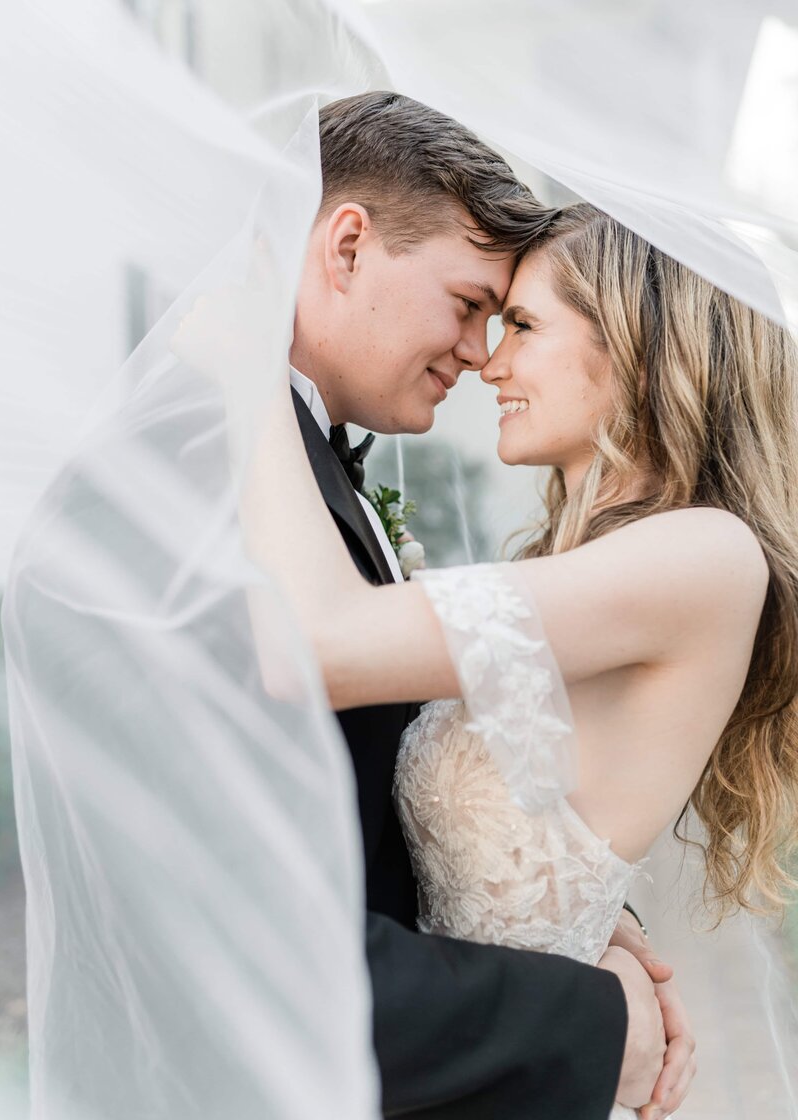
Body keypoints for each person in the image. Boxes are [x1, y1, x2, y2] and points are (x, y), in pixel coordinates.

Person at [176, 93, 698, 1119]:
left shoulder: (287, 465)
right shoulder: (195, 477)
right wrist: (591, 1021)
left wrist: (558, 906)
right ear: (348, 245)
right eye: (468, 303)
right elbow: (238, 926)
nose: (479, 353)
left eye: (511, 322)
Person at [226, 194, 798, 1116]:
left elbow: (322, 647)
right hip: (456, 1054)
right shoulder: (589, 567)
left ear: (641, 346)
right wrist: (594, 932)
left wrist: (241, 359)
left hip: (493, 1077)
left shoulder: (706, 557)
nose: (490, 362)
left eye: (523, 325)